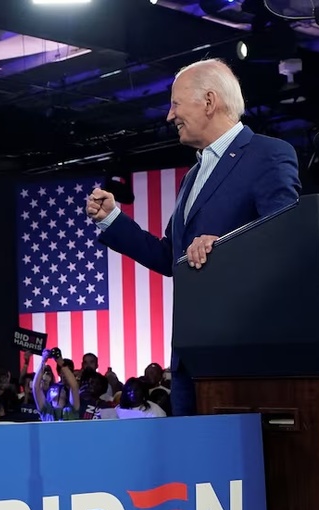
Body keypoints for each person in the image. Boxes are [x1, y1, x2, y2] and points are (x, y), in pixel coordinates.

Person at [85, 58, 300, 416]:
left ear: (209, 101)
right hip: (189, 360)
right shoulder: (193, 175)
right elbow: (171, 257)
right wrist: (113, 220)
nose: (170, 117)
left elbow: (284, 239)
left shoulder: (268, 154)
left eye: (175, 104)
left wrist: (224, 246)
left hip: (239, 358)